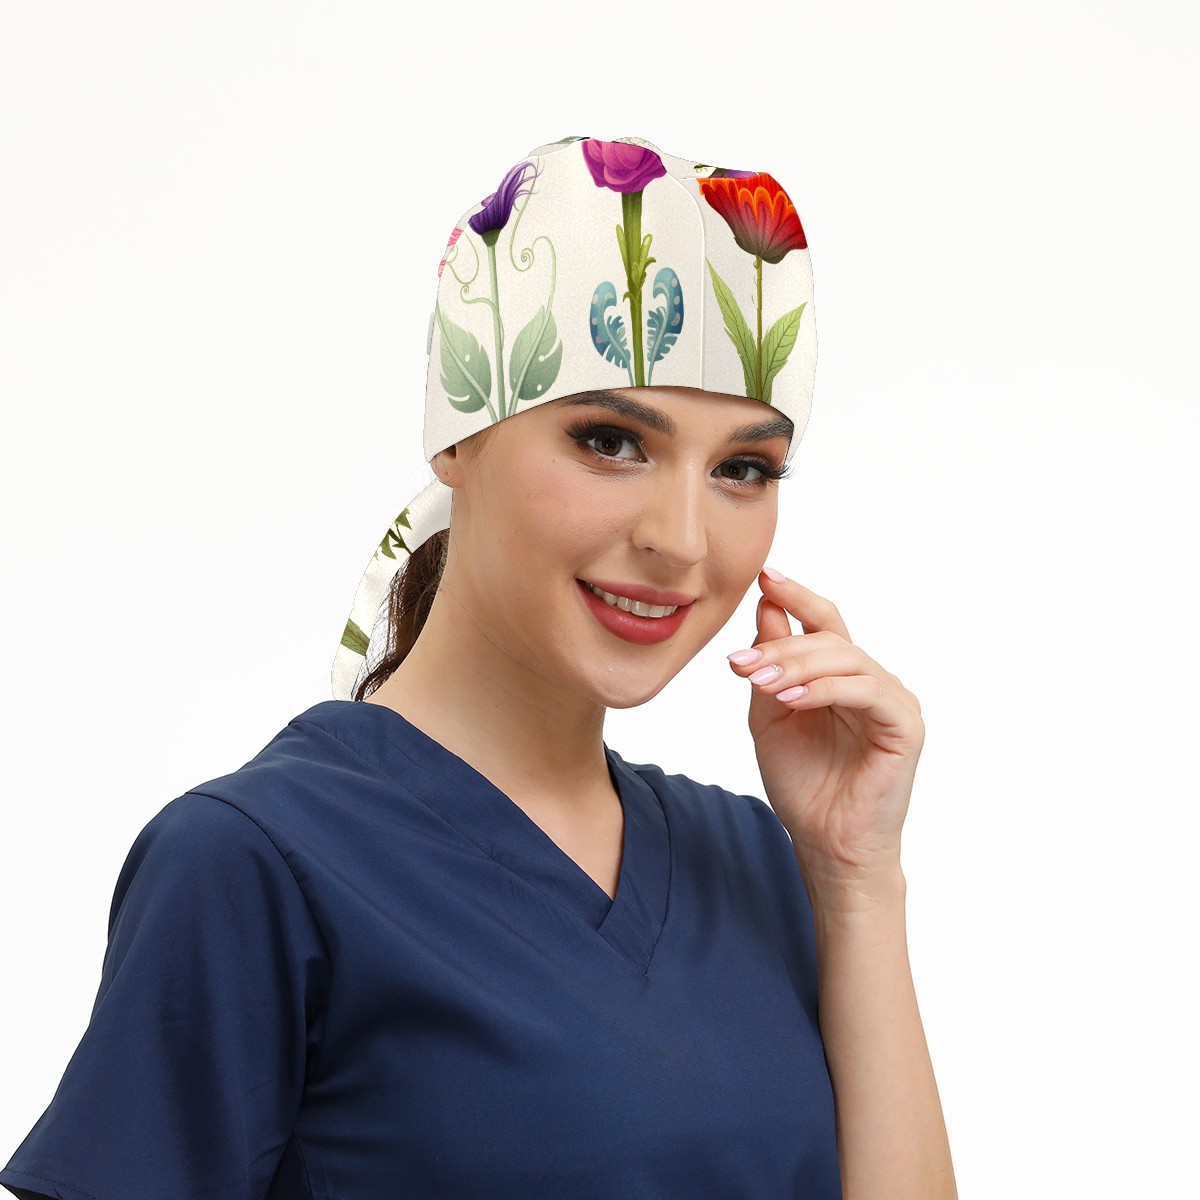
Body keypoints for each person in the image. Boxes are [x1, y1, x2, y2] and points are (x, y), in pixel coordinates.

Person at [1, 135, 957, 1199]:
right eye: (611, 441)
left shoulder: (751, 859)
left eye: (743, 467)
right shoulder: (252, 865)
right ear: (459, 438)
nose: (682, 540)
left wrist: (856, 878)